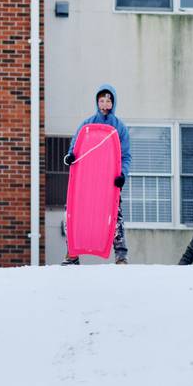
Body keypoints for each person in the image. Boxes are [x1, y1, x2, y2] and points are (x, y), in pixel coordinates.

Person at [61, 84, 131, 264]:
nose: (105, 104)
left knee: (115, 216)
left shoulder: (120, 127)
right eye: (102, 100)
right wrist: (70, 156)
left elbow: (125, 155)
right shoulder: (87, 124)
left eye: (108, 100)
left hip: (109, 181)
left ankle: (121, 255)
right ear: (97, 102)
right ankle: (72, 253)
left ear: (113, 103)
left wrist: (122, 174)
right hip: (87, 179)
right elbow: (75, 146)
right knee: (76, 213)